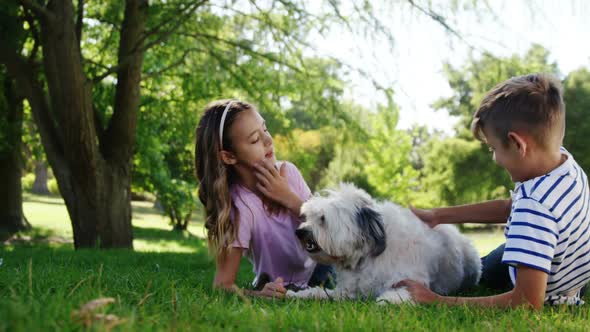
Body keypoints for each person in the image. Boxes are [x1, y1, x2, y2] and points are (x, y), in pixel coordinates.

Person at [400, 73, 590, 309]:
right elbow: (510, 208)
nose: (495, 158)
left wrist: (435, 300)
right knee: (491, 260)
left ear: (518, 144)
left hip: (546, 286)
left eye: (494, 148)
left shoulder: (534, 208)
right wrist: (438, 216)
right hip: (565, 266)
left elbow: (527, 302)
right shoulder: (564, 165)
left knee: (480, 272)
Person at [195, 99, 334, 298]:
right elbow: (222, 286)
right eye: (254, 139)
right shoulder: (241, 207)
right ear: (229, 156)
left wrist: (288, 198)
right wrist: (259, 294)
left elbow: (326, 228)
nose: (268, 141)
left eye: (265, 130)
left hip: (321, 268)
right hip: (277, 283)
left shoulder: (289, 173)